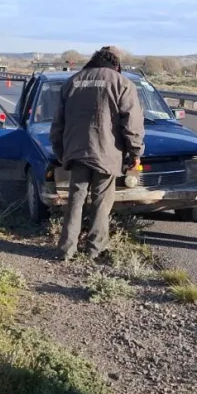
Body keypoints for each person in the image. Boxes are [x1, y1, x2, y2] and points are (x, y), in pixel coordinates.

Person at [50, 45, 145, 262]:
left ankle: (66, 249)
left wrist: (60, 151)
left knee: (75, 200)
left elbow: (58, 123)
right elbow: (132, 123)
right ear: (116, 63)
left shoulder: (72, 81)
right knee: (101, 202)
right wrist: (135, 152)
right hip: (107, 153)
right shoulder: (122, 83)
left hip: (76, 152)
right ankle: (95, 249)